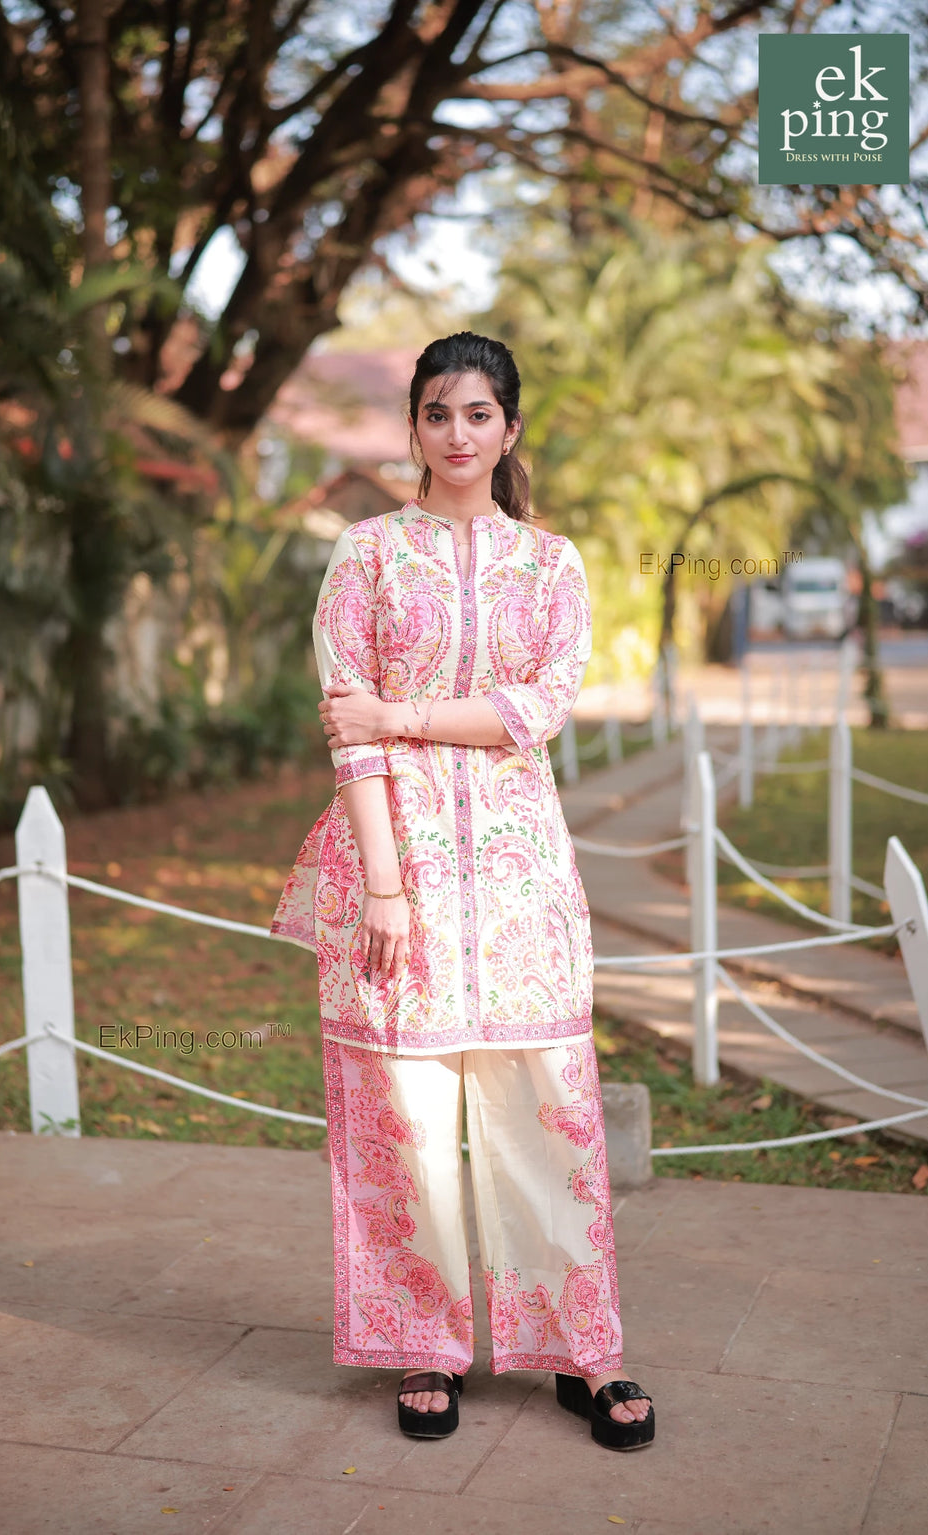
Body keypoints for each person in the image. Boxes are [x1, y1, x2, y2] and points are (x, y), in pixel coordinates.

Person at [272, 331, 654, 1451]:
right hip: (395, 871)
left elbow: (537, 708)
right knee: (407, 1116)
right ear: (413, 428)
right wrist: (385, 891)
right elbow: (345, 731)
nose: (456, 433)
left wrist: (400, 713)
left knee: (550, 1108)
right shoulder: (368, 554)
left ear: (509, 428)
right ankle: (425, 1341)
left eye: (477, 413)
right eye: (437, 412)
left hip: (522, 875)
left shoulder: (553, 562)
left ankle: (586, 1348)